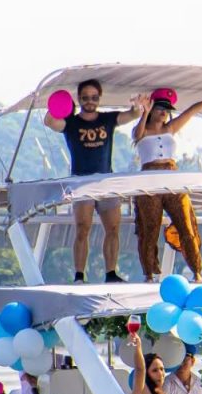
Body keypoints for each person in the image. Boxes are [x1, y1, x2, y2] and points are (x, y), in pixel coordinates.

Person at [44, 78, 145, 283]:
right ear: (79, 99)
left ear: (99, 98)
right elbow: (50, 122)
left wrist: (137, 104)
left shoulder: (108, 119)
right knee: (82, 228)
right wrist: (57, 105)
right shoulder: (71, 123)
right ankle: (79, 275)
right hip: (81, 182)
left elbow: (133, 114)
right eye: (85, 98)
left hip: (106, 181)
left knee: (113, 228)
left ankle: (110, 273)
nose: (90, 101)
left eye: (94, 97)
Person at [132, 88, 202, 282]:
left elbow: (192, 110)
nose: (164, 112)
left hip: (172, 177)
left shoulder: (170, 128)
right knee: (150, 228)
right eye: (160, 108)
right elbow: (137, 135)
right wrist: (144, 113)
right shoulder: (142, 130)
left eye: (167, 109)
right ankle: (149, 274)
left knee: (186, 224)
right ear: (152, 108)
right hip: (149, 181)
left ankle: (197, 272)